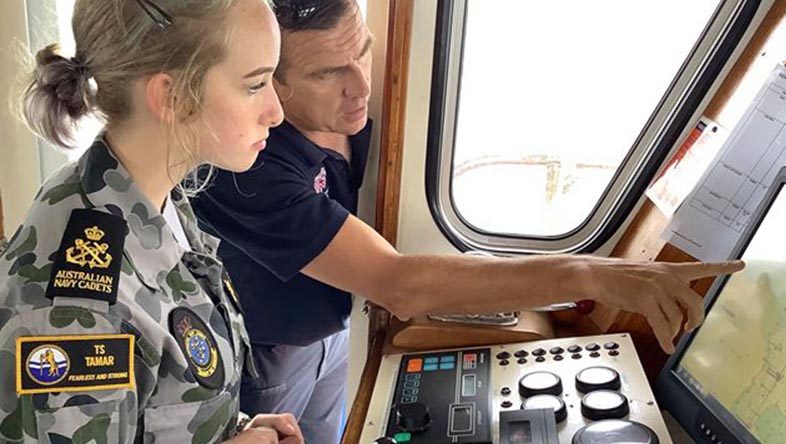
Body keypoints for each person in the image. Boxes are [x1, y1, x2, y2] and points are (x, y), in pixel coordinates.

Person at [191, 0, 745, 442]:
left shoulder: (347, 114)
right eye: (328, 72)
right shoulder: (245, 167)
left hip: (332, 328)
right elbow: (398, 283)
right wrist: (591, 273)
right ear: (271, 84)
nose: (360, 85)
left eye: (362, 53)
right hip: (270, 351)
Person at [0, 0, 304, 443]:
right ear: (173, 97)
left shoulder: (154, 196)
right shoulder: (75, 308)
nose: (276, 111)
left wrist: (230, 427)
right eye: (255, 84)